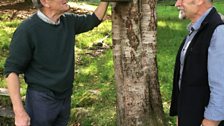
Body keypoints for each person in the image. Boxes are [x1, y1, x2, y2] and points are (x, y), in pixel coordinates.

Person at [4, 0, 108, 125]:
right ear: (45, 2)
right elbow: (11, 71)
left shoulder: (69, 22)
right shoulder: (28, 30)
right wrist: (19, 112)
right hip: (41, 101)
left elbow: (93, 20)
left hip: (65, 97)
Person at [169, 0, 224, 125]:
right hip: (191, 116)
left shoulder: (218, 31)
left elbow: (221, 85)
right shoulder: (198, 29)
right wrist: (181, 114)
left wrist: (211, 122)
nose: (177, 4)